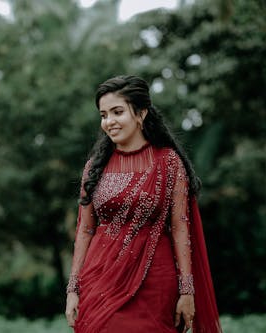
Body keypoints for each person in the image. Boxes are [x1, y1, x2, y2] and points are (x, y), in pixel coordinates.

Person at [65, 75, 222, 333]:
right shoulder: (95, 167)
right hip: (99, 280)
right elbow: (85, 230)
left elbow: (181, 228)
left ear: (141, 113)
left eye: (117, 112)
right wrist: (73, 289)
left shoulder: (168, 162)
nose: (109, 122)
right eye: (104, 115)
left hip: (154, 282)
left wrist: (187, 290)